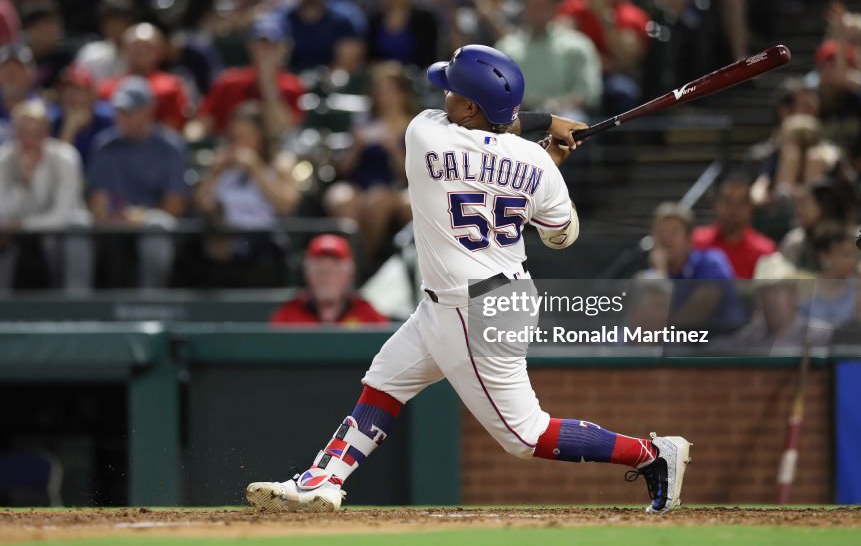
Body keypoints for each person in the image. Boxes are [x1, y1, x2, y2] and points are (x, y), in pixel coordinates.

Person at [247, 44, 691, 514]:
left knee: (525, 435)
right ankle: (323, 480)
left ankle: (654, 455)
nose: (444, 94)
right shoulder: (535, 164)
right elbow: (562, 236)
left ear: (471, 106)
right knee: (385, 382)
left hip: (476, 309)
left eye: (453, 90)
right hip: (466, 298)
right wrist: (545, 164)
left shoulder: (424, 133)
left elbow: (488, 145)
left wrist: (543, 126)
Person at [86, 76, 187, 289]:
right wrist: (113, 215)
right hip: (111, 224)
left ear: (149, 110)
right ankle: (75, 304)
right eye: (120, 112)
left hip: (150, 222)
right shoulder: (105, 146)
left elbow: (174, 206)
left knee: (157, 224)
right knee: (76, 225)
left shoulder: (170, 147)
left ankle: (151, 303)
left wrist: (137, 217)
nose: (123, 118)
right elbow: (97, 203)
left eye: (130, 112)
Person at [192, 102, 300, 285]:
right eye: (235, 137)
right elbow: (200, 204)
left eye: (246, 136)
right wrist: (214, 173)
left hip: (263, 239)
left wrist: (256, 169)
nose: (240, 142)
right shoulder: (223, 165)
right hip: (225, 236)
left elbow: (286, 205)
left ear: (261, 136)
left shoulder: (280, 163)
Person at [0, 99, 88, 289]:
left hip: (57, 234)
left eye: (36, 134)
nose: (29, 142)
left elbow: (62, 215)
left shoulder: (65, 157)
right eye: (23, 133)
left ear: (47, 134)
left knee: (77, 225)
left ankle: (74, 304)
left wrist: (24, 225)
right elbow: (1, 212)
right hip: (15, 235)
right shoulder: (2, 160)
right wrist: (24, 184)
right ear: (14, 133)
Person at [324, 62, 416, 262]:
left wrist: (393, 149)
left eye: (390, 91)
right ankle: (349, 260)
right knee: (341, 199)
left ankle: (364, 261)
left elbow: (410, 175)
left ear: (403, 94)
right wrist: (356, 147)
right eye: (380, 92)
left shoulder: (414, 127)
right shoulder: (364, 123)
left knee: (377, 200)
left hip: (393, 186)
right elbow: (343, 170)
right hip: (360, 184)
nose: (385, 98)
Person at [497, 0, 602, 117]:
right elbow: (497, 93)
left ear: (555, 7)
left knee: (573, 119)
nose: (536, 11)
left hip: (564, 114)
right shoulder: (506, 48)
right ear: (523, 8)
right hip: (520, 116)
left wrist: (557, 106)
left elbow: (589, 92)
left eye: (542, 5)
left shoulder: (577, 44)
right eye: (531, 5)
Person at [557, 0, 648, 113]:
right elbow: (557, 42)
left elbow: (628, 60)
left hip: (610, 79)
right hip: (573, 76)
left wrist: (604, 18)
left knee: (623, 91)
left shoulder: (632, 15)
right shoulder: (574, 6)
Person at [193, 15, 304, 141]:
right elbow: (202, 122)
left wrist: (268, 83)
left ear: (284, 49)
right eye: (258, 45)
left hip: (272, 155)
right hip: (229, 151)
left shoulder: (293, 86)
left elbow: (282, 132)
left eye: (270, 46)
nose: (263, 52)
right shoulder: (228, 81)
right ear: (250, 47)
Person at [645, 201, 746, 333]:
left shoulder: (712, 263)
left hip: (723, 345)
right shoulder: (652, 275)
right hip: (677, 348)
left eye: (673, 232)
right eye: (660, 232)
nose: (665, 238)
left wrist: (660, 274)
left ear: (689, 240)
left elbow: (689, 320)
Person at [271, 234, 389, 325]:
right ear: (307, 275)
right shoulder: (288, 316)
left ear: (348, 275)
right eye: (319, 271)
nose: (327, 278)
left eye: (334, 271)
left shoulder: (369, 316)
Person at [281, 0, 367, 73]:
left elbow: (346, 65)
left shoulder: (346, 16)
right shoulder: (283, 16)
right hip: (291, 84)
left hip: (334, 85)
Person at [97, 22, 191, 131]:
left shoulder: (172, 87)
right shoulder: (107, 89)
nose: (141, 51)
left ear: (160, 51)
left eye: (147, 47)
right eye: (135, 46)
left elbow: (175, 127)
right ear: (123, 50)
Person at [691, 176, 776, 279]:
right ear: (716, 204)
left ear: (750, 208)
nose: (733, 209)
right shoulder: (695, 243)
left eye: (740, 203)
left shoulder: (764, 252)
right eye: (727, 201)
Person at [48, 64, 114, 166]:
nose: (70, 95)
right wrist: (69, 130)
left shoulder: (109, 120)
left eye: (78, 90)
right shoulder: (52, 120)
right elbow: (54, 170)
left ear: (92, 94)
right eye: (66, 89)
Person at [0, 43, 38, 148]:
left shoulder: (42, 114)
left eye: (18, 70)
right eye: (6, 69)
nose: (11, 76)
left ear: (31, 75)